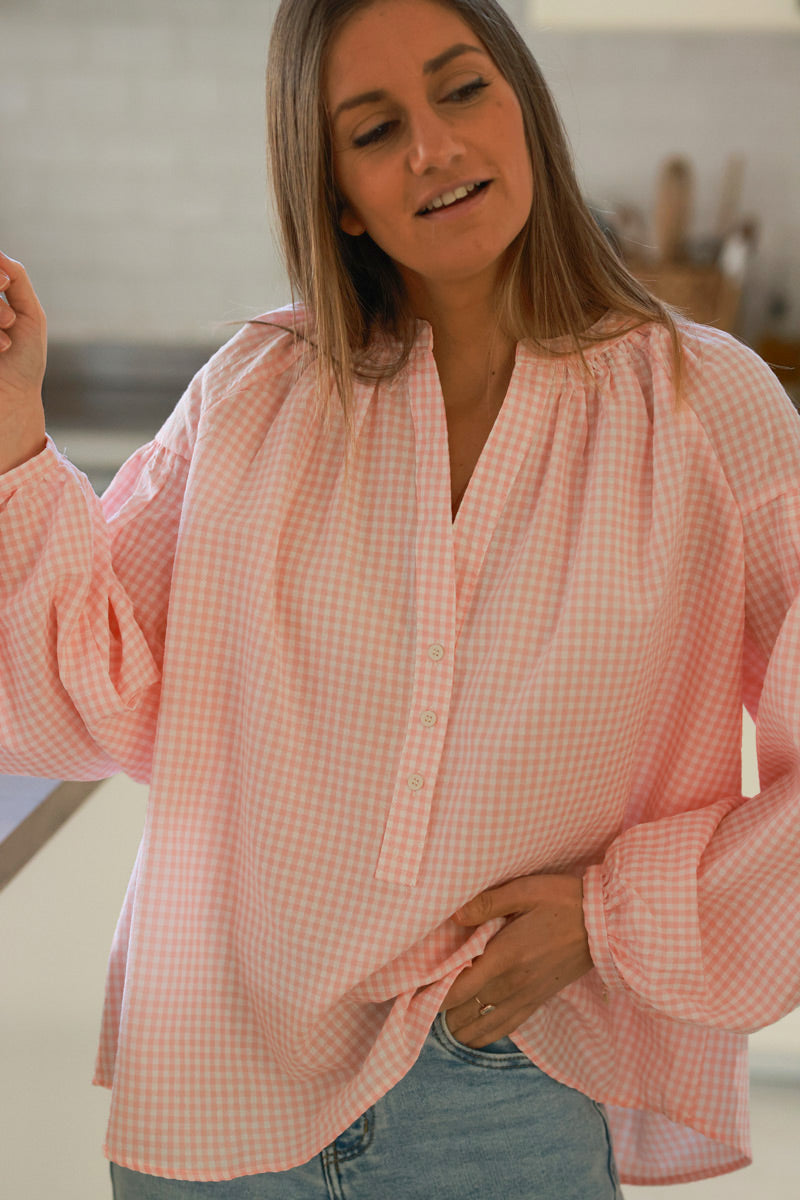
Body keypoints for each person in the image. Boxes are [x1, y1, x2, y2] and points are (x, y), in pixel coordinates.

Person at [1, 0, 798, 1195]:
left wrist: (612, 916)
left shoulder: (703, 408)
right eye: (374, 129)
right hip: (217, 1084)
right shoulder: (257, 395)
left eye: (461, 89)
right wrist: (14, 429)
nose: (433, 147)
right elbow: (81, 702)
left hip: (506, 1084)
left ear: (521, 103)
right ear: (335, 193)